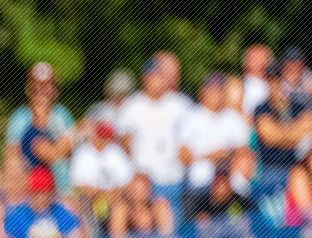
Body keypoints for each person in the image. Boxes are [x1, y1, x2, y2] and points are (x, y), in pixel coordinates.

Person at [115, 57, 193, 215]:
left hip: (174, 178)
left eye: (160, 76)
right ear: (145, 78)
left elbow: (192, 137)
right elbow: (121, 140)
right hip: (144, 183)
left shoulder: (180, 104)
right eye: (152, 77)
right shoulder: (132, 106)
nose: (156, 82)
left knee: (173, 225)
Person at [177, 72, 251, 201]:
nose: (217, 94)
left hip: (230, 187)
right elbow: (183, 157)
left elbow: (244, 154)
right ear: (203, 91)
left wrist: (223, 155)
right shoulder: (190, 117)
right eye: (213, 90)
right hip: (199, 186)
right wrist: (214, 155)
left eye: (220, 90)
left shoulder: (233, 118)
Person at [5, 62, 73, 183]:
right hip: (29, 185)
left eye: (47, 85)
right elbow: (11, 156)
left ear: (54, 89)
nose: (41, 89)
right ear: (28, 88)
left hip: (62, 186)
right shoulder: (20, 117)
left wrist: (50, 151)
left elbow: (69, 148)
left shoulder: (61, 114)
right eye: (36, 85)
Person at [189, 163, 256, 238]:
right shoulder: (203, 201)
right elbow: (200, 228)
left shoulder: (239, 199)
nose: (221, 186)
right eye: (218, 182)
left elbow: (247, 224)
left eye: (224, 182)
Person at [253, 63, 312, 199]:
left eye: (278, 80)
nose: (275, 85)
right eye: (271, 81)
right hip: (271, 169)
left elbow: (309, 126)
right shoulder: (262, 108)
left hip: (297, 167)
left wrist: (280, 133)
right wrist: (296, 132)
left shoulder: (297, 105)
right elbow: (269, 137)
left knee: (299, 176)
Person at [69, 119, 134, 236]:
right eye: (101, 136)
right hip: (92, 200)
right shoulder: (83, 152)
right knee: (82, 200)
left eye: (106, 137)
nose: (104, 140)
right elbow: (79, 185)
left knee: (120, 205)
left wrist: (109, 195)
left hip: (113, 199)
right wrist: (102, 194)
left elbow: (127, 182)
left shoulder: (115, 151)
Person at [1, 167, 85, 238]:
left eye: (44, 192)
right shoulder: (17, 216)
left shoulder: (62, 212)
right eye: (36, 192)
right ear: (29, 193)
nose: (40, 197)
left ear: (51, 193)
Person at [242, 44, 273, 117]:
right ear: (247, 62)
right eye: (256, 59)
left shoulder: (275, 83)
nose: (260, 62)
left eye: (263, 58)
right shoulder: (243, 87)